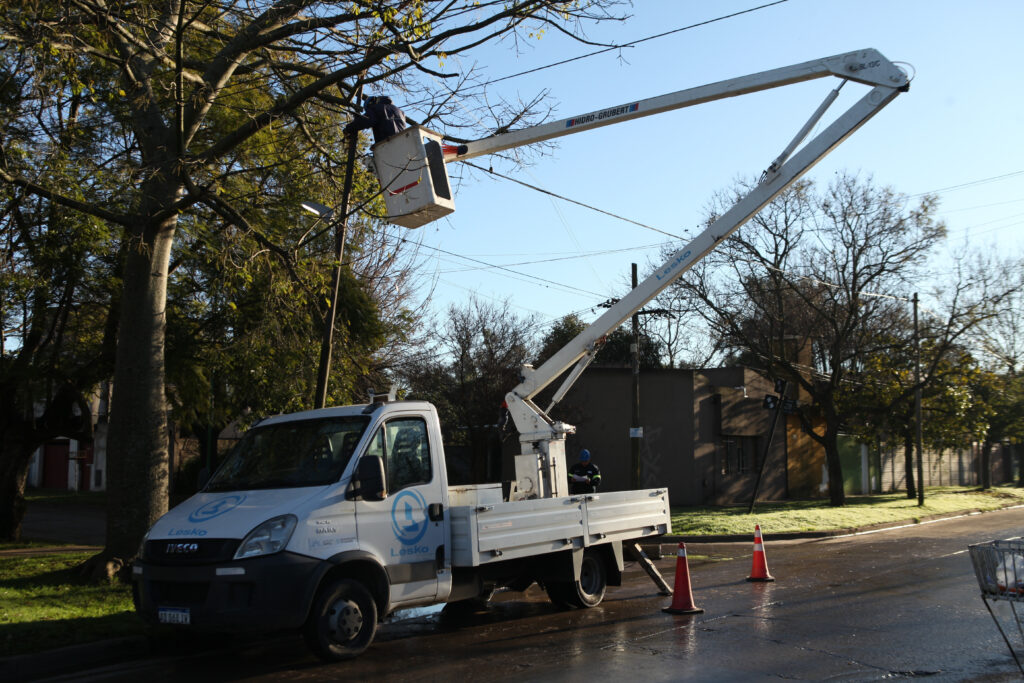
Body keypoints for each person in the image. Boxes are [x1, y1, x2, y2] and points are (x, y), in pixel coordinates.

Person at [343, 95, 407, 144]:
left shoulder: (376, 108)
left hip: (387, 143)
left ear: (370, 104)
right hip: (404, 142)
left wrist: (349, 128)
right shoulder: (401, 112)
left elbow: (366, 120)